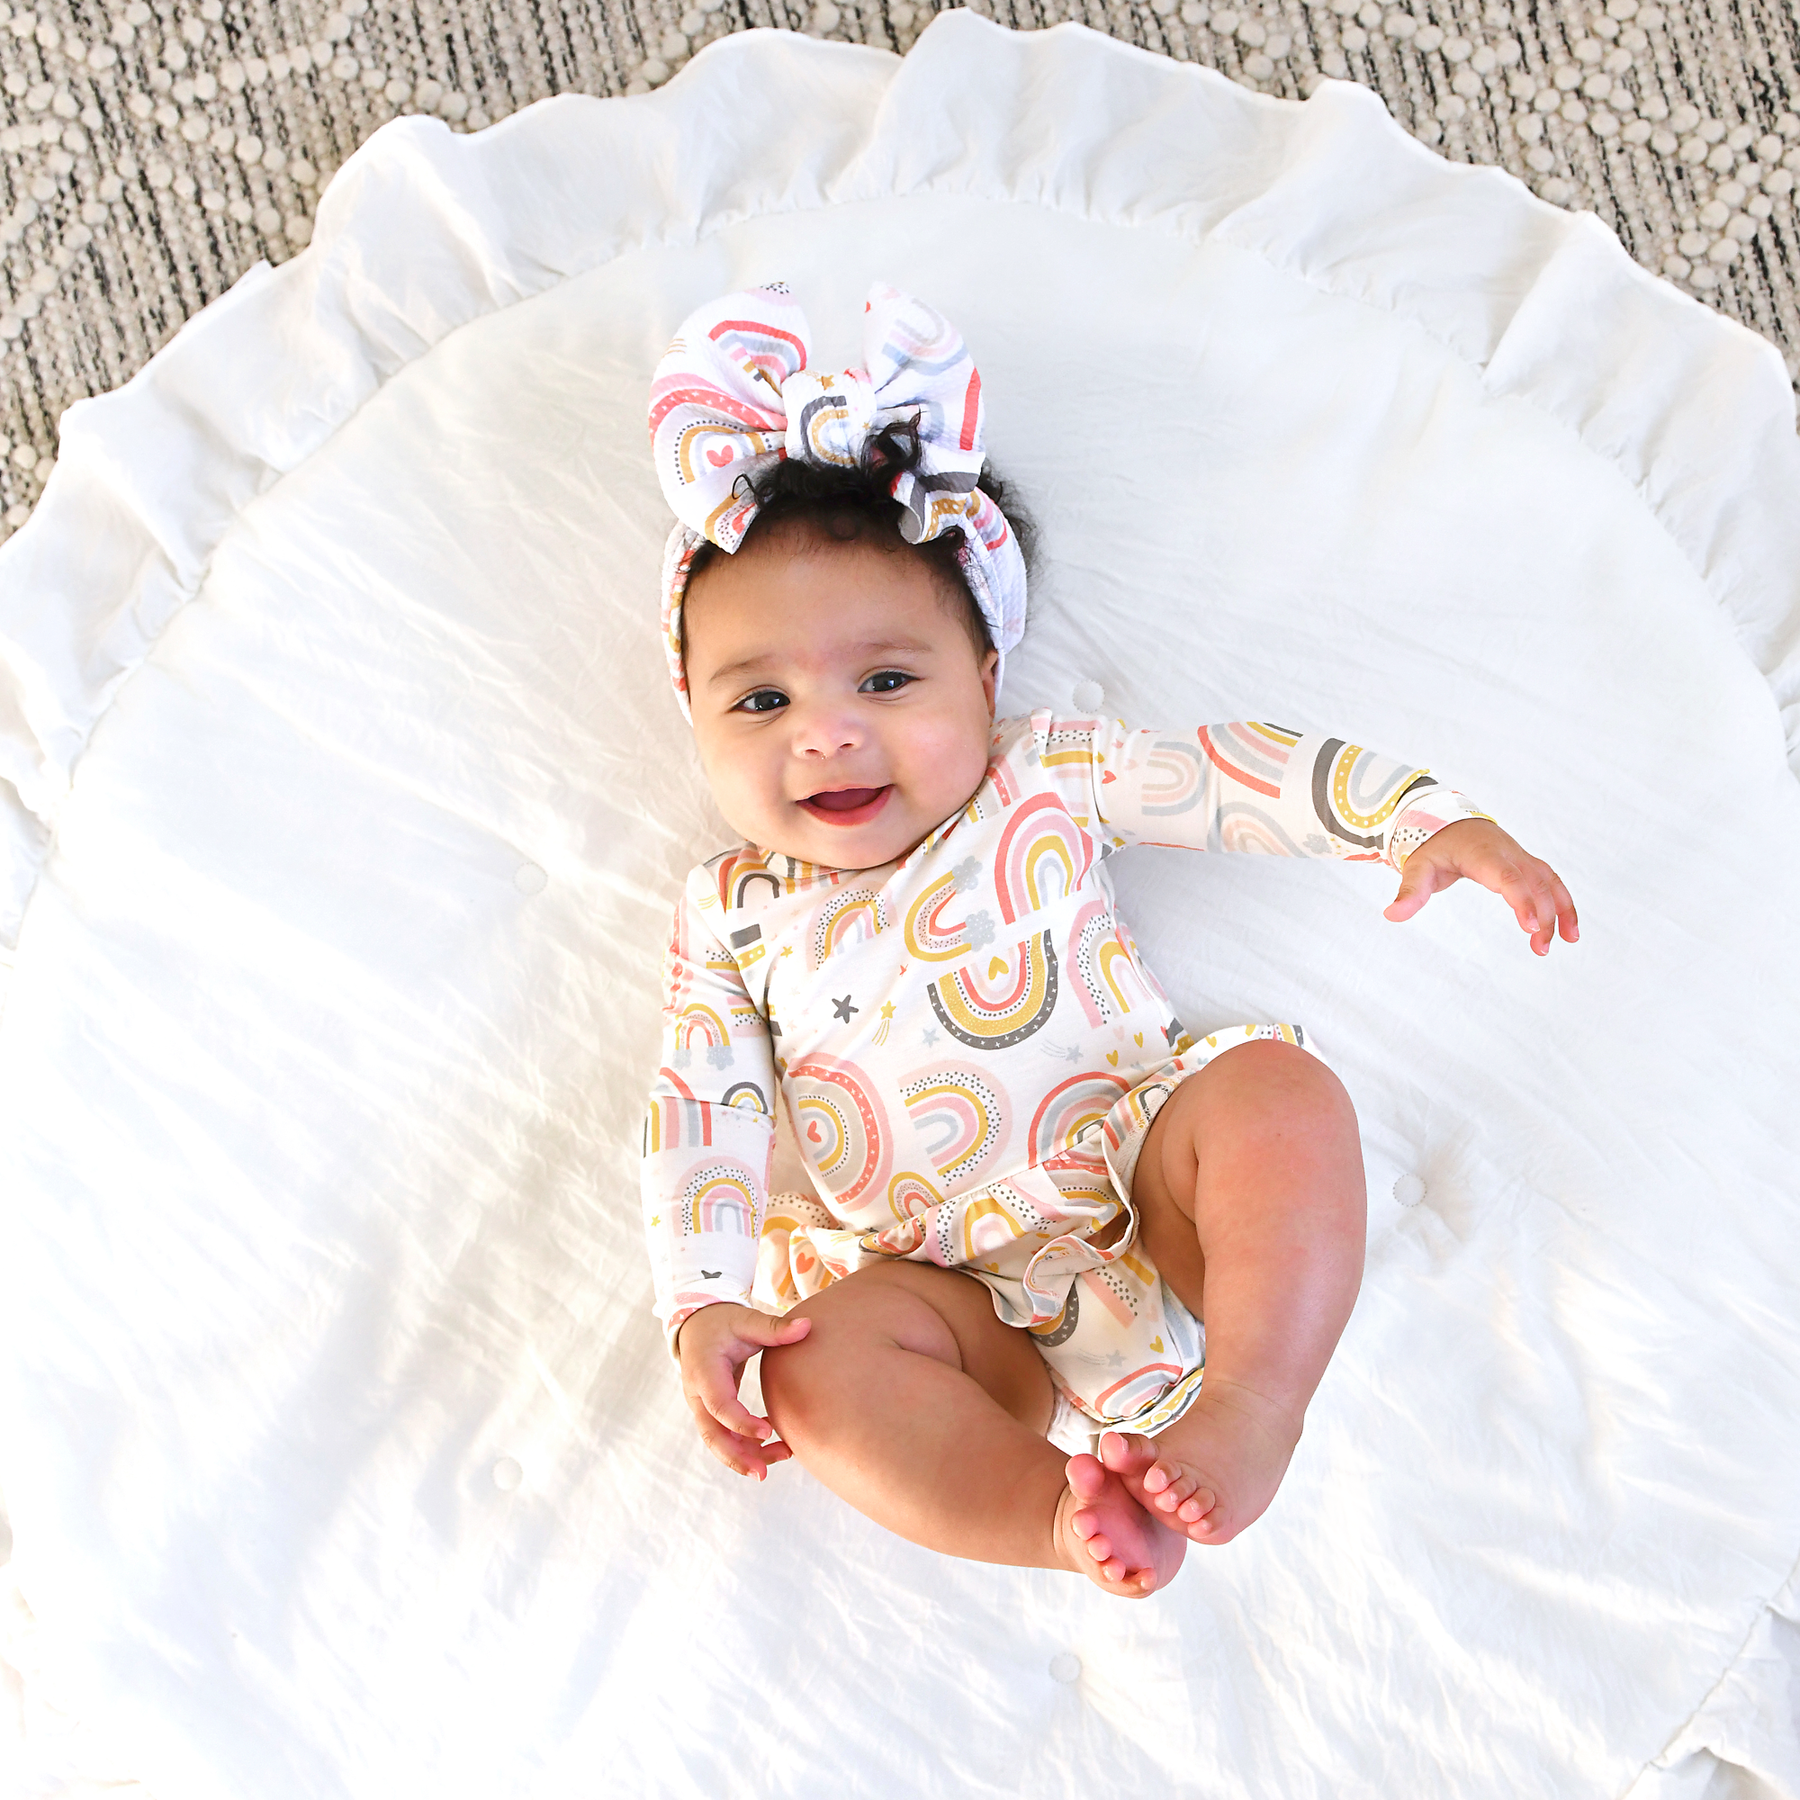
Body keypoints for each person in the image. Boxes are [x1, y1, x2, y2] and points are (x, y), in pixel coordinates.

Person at [640, 282, 1578, 1597]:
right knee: (817, 1367)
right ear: (694, 714)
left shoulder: (1043, 776)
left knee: (1276, 1096)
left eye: (888, 680)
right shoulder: (732, 911)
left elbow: (1230, 773)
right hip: (939, 1291)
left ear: (986, 680)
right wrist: (701, 1298)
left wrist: (1415, 820)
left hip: (1148, 1183)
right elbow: (703, 1103)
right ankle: (1058, 1520)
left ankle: (1251, 1404)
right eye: (760, 701)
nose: (827, 732)